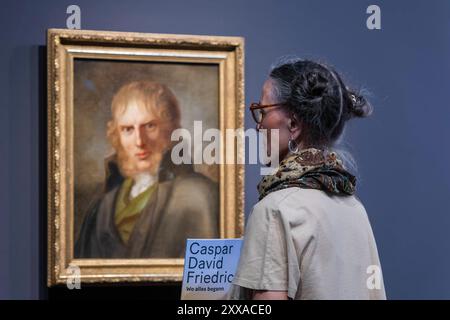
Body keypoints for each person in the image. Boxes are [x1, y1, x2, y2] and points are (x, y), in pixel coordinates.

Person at [229, 59, 386, 300]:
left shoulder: (275, 210)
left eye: (263, 111)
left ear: (293, 124)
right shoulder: (355, 208)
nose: (259, 126)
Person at [75, 80, 219, 259]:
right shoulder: (100, 207)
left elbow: (210, 280)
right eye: (128, 129)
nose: (139, 141)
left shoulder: (198, 195)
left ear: (170, 130)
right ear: (116, 136)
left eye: (150, 126)